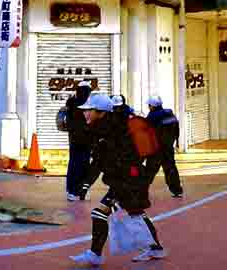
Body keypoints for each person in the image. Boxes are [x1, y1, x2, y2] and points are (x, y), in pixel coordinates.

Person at [69, 93, 167, 265]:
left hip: (127, 181)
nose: (85, 113)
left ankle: (95, 255)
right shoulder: (105, 129)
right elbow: (99, 162)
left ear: (101, 112)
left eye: (89, 110)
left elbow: (112, 161)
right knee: (135, 213)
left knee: (106, 213)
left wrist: (124, 185)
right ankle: (155, 248)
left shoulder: (111, 132)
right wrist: (86, 184)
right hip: (126, 180)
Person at [145, 95, 183, 199]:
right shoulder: (170, 113)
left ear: (152, 106)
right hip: (168, 148)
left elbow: (145, 131)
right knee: (171, 169)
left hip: (156, 149)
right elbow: (176, 129)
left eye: (149, 105)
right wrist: (176, 142)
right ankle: (177, 191)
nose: (148, 107)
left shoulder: (152, 116)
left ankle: (141, 190)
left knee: (149, 171)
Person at [65, 81, 93, 201]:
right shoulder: (86, 104)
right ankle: (76, 191)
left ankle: (73, 191)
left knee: (76, 164)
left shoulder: (71, 102)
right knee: (82, 165)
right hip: (84, 140)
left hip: (75, 140)